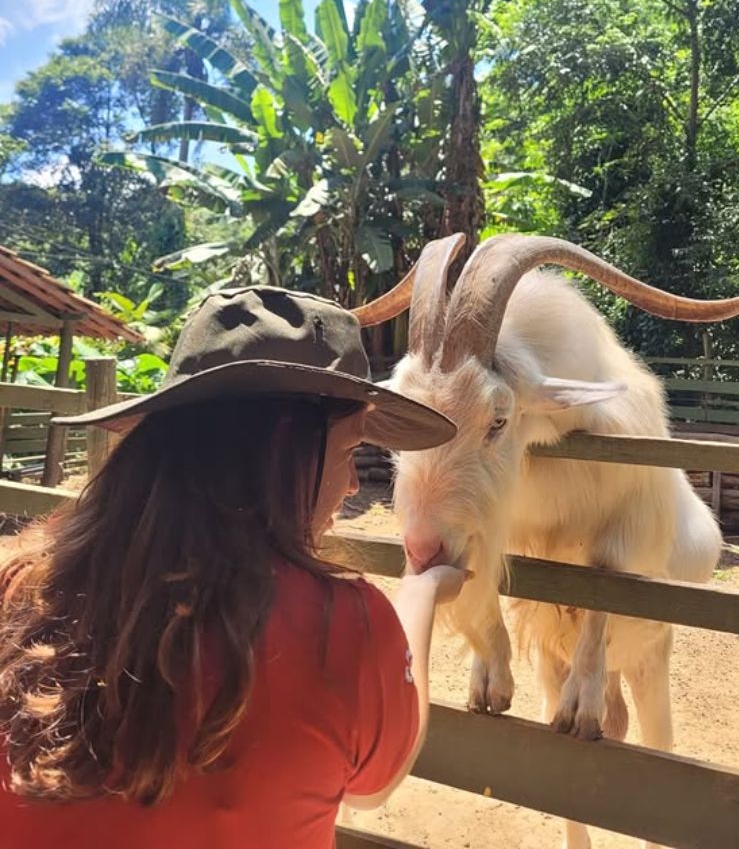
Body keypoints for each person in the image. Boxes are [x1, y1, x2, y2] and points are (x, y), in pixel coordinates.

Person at [0, 286, 466, 848]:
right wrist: (419, 595)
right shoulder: (344, 625)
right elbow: (373, 786)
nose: (350, 486)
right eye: (347, 454)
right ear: (280, 449)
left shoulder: (24, 583)